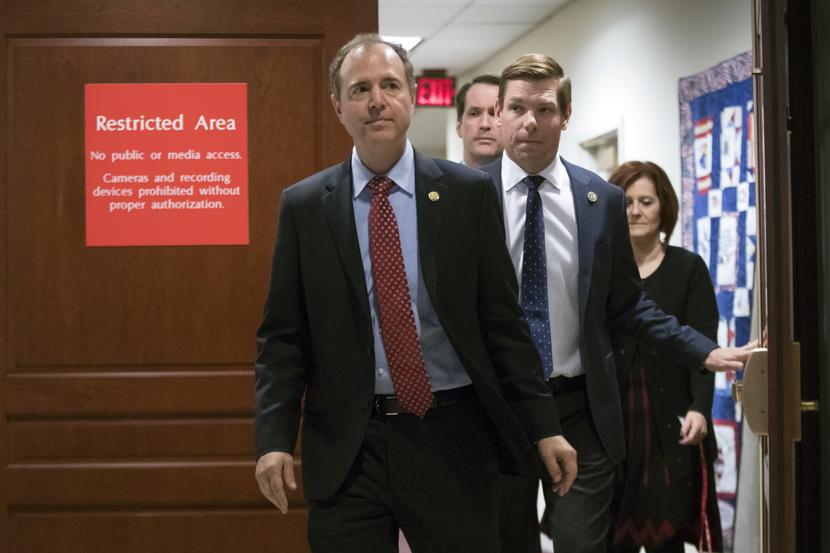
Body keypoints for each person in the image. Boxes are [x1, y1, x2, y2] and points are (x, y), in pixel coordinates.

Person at [253, 34, 576, 553]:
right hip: (348, 446)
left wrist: (544, 428)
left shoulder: (466, 196)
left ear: (412, 95)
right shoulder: (306, 206)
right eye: (359, 89)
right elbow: (284, 338)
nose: (376, 100)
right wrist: (272, 440)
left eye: (389, 85)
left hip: (452, 436)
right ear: (338, 107)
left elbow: (503, 324)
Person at [479, 53, 753, 553]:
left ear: (565, 115)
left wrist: (702, 351)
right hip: (499, 405)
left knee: (583, 542)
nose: (530, 122)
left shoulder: (600, 200)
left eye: (543, 109)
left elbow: (627, 304)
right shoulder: (467, 197)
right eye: (516, 108)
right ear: (498, 112)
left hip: (581, 404)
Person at [608, 161, 723, 553]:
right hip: (614, 422)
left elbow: (703, 345)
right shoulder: (603, 271)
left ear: (664, 208)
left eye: (646, 201)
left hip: (671, 422)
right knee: (612, 533)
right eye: (625, 202)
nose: (635, 211)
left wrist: (700, 408)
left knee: (666, 537)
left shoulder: (688, 268)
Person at [455, 74, 503, 168]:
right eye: (474, 114)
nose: (484, 124)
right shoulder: (433, 182)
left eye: (495, 114)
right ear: (459, 126)